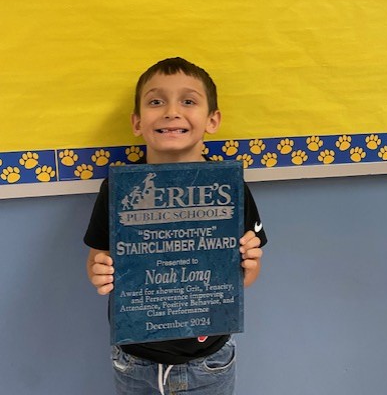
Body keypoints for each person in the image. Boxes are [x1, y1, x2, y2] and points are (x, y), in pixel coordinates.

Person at [84, 57, 267, 395]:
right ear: (137, 122)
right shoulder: (118, 191)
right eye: (156, 101)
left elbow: (247, 275)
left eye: (188, 101)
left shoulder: (230, 188)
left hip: (209, 360)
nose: (171, 112)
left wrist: (248, 266)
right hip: (135, 360)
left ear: (212, 120)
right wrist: (100, 272)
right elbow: (98, 259)